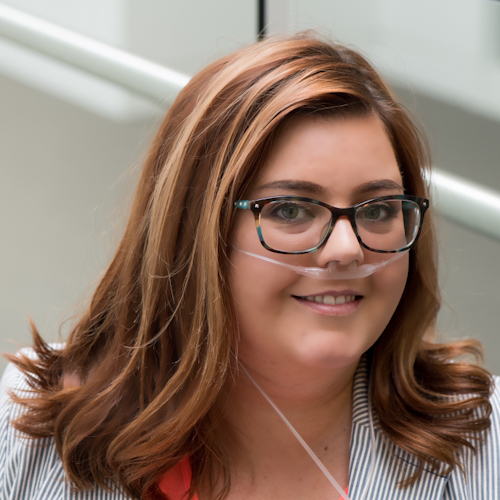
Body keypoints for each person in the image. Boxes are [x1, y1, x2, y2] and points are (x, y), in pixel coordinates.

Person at [0, 33, 498, 500]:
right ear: (195, 231)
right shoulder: (33, 425)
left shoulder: (484, 440)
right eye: (290, 210)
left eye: (377, 209)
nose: (346, 249)